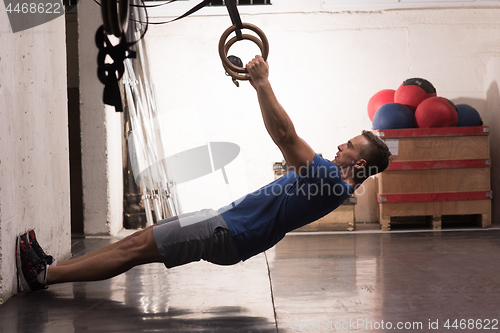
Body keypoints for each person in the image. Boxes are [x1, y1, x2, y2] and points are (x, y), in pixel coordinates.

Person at [16, 55, 392, 292]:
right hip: (225, 221)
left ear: (359, 164)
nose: (341, 146)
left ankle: (45, 276)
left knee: (133, 249)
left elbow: (284, 136)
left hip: (228, 232)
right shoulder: (330, 180)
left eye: (349, 145)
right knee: (141, 239)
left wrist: (261, 83)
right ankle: (53, 268)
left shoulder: (330, 181)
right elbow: (285, 139)